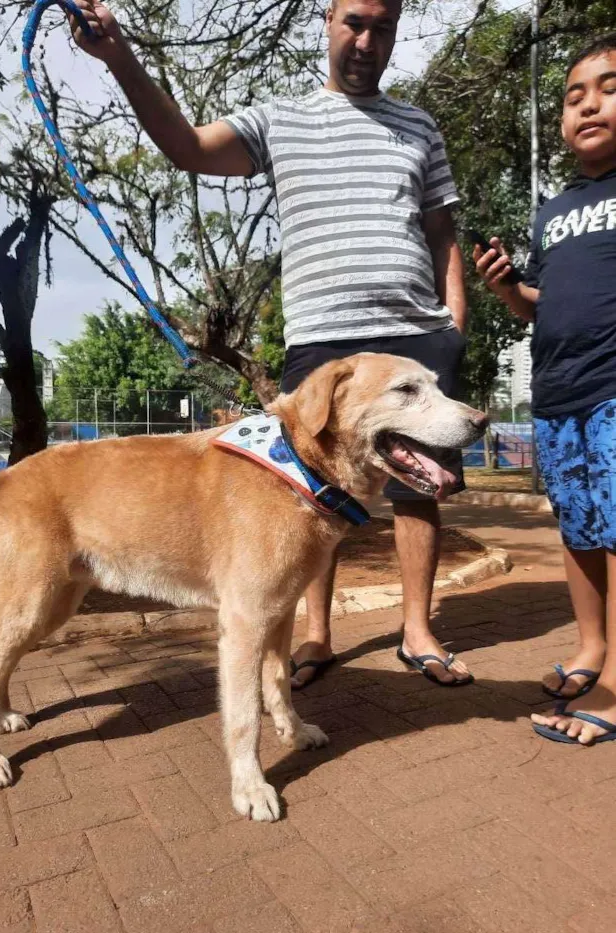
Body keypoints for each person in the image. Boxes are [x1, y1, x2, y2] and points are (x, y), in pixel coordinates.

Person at [70, 0, 474, 689]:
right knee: (309, 491)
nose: (366, 40)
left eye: (382, 27)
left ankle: (416, 628)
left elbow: (442, 235)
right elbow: (188, 147)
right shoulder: (280, 118)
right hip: (322, 335)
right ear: (327, 19)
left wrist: (453, 330)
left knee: (417, 490)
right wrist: (120, 59)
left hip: (413, 333)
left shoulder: (420, 125)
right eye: (354, 21)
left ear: (398, 29)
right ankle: (315, 635)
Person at [474, 34, 616, 745]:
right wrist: (506, 286)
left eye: (609, 87)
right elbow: (540, 302)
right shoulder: (553, 211)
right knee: (581, 528)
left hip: (615, 389)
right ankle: (593, 648)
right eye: (574, 95)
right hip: (557, 395)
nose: (589, 103)